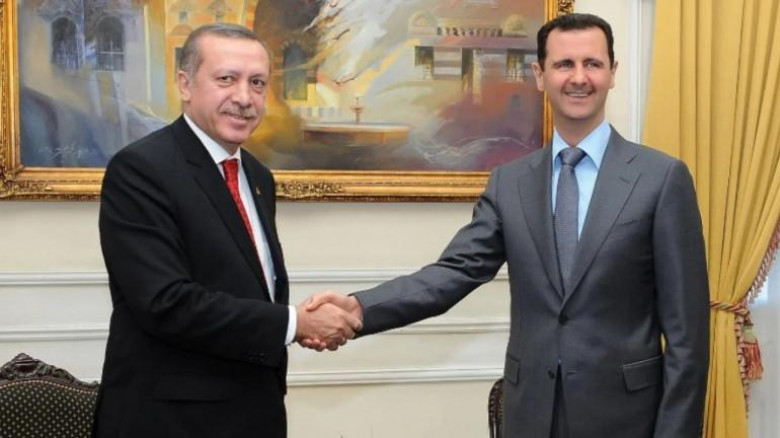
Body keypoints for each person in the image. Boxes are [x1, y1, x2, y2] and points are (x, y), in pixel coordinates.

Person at [304, 13, 710, 438]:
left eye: (592, 63)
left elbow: (688, 337)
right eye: (564, 64)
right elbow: (454, 272)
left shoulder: (661, 178)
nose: (579, 78)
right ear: (540, 75)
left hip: (627, 421)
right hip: (529, 415)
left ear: (613, 73)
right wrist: (359, 308)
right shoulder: (509, 182)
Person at [93, 23, 360, 438]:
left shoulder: (257, 176)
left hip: (252, 413)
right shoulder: (142, 169)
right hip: (170, 423)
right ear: (185, 84)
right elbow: (166, 302)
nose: (244, 98)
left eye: (257, 83)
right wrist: (294, 323)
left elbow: (248, 288)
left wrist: (294, 322)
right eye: (226, 79)